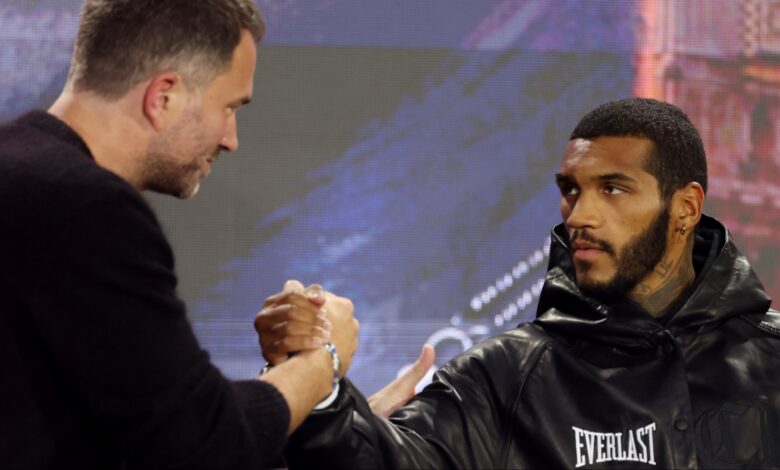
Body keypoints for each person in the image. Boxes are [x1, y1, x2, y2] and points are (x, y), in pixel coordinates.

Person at [260, 98, 780, 468]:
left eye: (613, 189)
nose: (580, 215)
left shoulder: (771, 361)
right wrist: (317, 387)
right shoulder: (507, 375)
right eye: (571, 190)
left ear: (685, 207)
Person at [0, 1, 364, 468]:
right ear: (164, 96)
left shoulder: (19, 170)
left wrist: (373, 422)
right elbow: (204, 444)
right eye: (228, 107)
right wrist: (323, 362)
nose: (231, 138)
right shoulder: (91, 211)